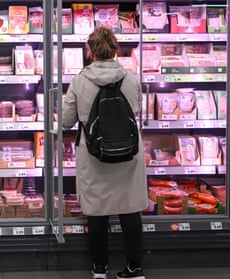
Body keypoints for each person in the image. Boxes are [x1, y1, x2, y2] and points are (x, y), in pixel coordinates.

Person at [62, 26, 148, 279]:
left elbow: (67, 121)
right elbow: (137, 111)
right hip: (128, 153)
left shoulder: (80, 80)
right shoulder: (131, 79)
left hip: (94, 153)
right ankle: (135, 267)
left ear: (90, 52)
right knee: (130, 208)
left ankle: (99, 267)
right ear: (115, 49)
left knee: (97, 209)